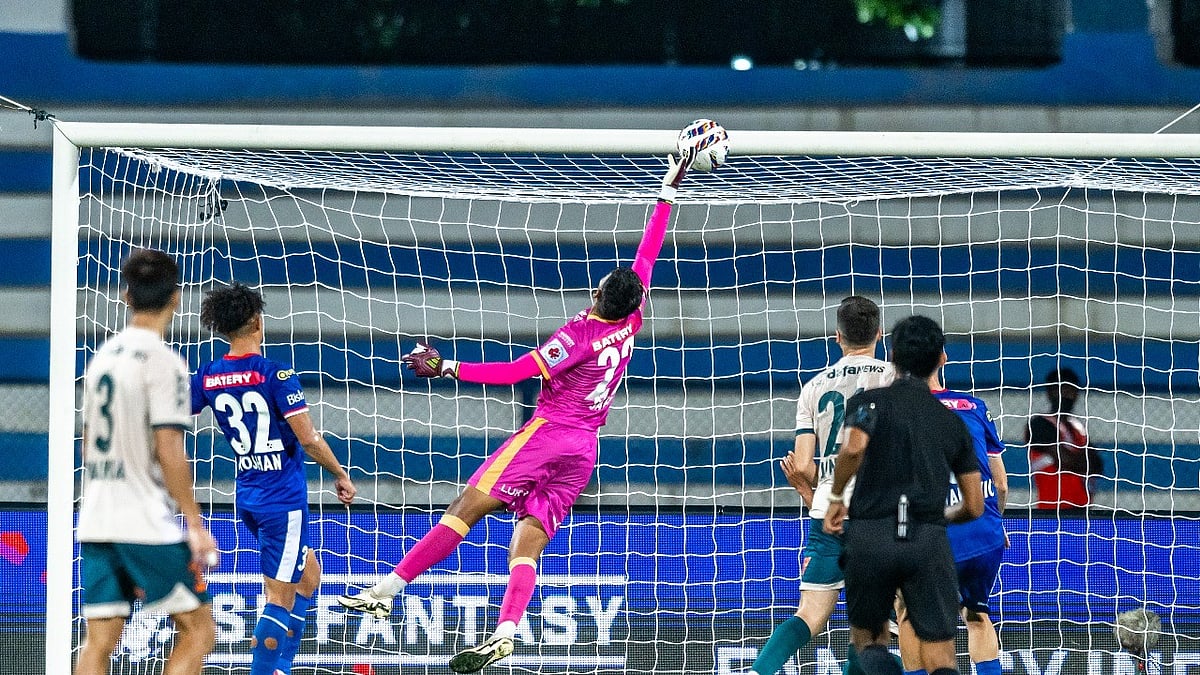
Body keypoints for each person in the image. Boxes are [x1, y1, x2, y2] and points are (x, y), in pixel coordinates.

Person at [338, 147, 694, 673]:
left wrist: (447, 366)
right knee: (527, 544)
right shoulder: (632, 318)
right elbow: (648, 255)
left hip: (549, 433)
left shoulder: (579, 335)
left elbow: (514, 372)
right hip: (585, 449)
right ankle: (506, 631)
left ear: (599, 292)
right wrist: (669, 186)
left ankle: (384, 592)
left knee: (466, 506)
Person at [192, 282, 357, 675]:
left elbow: (178, 413)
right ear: (257, 322)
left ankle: (281, 665)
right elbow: (309, 439)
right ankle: (265, 670)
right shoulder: (275, 374)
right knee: (278, 597)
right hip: (282, 501)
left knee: (309, 574)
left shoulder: (208, 375)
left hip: (249, 496)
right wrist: (339, 473)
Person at [76, 249, 218, 675]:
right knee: (199, 630)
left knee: (99, 641)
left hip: (97, 517)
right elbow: (168, 448)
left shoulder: (102, 358)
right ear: (176, 297)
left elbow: (88, 442)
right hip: (142, 520)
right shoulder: (164, 362)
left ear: (126, 296)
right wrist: (194, 524)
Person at [823, 315, 985, 675]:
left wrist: (836, 497)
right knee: (941, 657)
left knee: (870, 640)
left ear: (892, 355)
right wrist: (940, 518)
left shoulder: (868, 402)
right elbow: (974, 505)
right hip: (926, 540)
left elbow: (853, 448)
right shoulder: (952, 422)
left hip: (872, 533)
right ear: (940, 359)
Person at [747, 296, 894, 675]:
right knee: (874, 627)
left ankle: (758, 671)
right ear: (880, 334)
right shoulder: (894, 377)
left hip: (828, 512)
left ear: (837, 337)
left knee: (809, 616)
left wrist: (818, 483)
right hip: (880, 515)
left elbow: (803, 465)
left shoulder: (813, 387)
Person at [896, 366, 1009, 675]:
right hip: (983, 531)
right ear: (942, 359)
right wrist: (995, 523)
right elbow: (1000, 484)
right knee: (977, 615)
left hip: (933, 532)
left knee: (909, 613)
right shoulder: (974, 406)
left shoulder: (900, 410)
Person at [1026, 367, 1101, 510]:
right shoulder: (1040, 424)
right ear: (1050, 392)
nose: (1067, 396)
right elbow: (1065, 460)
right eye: (1061, 390)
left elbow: (1097, 466)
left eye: (1071, 390)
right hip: (1052, 509)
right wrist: (1082, 460)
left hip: (1082, 509)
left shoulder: (1078, 428)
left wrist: (1078, 461)